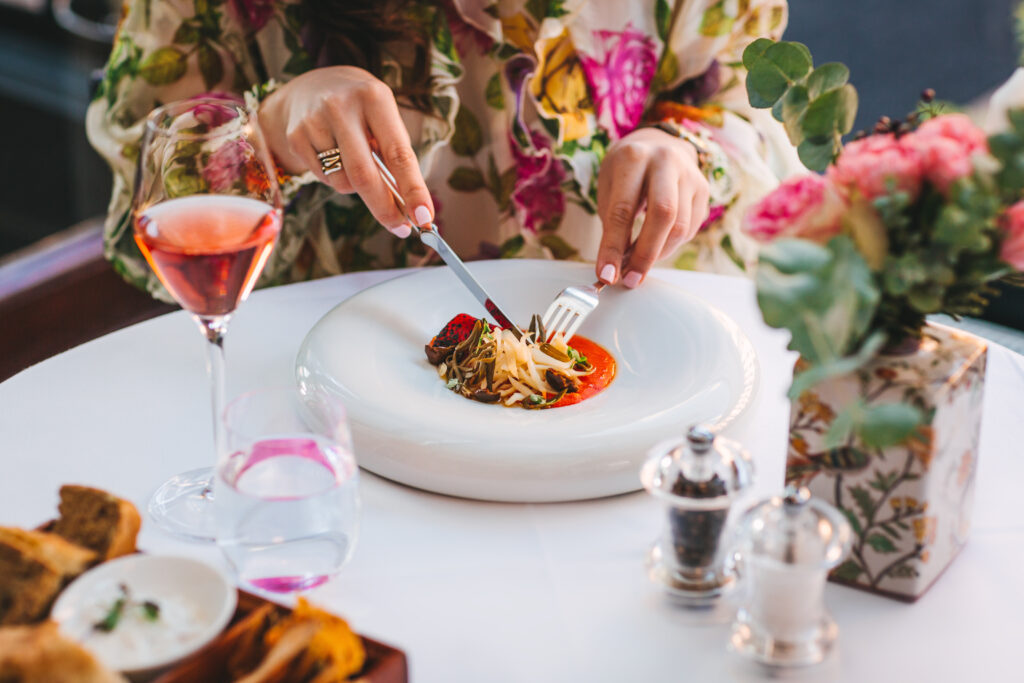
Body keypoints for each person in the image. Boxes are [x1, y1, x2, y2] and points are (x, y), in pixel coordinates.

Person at [87, 0, 801, 301]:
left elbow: (747, 115)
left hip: (630, 387)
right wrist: (268, 138)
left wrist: (682, 149)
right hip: (326, 428)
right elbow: (136, 229)